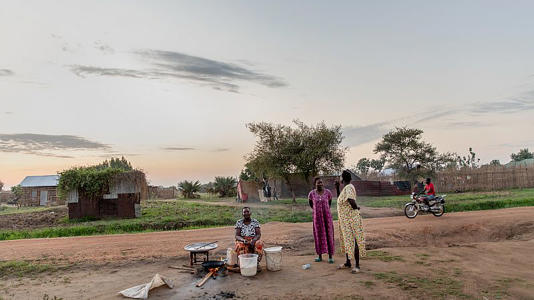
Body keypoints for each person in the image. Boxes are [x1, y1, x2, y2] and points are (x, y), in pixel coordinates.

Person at [336, 170, 366, 273]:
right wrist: (336, 188)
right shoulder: (346, 188)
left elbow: (351, 201)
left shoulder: (348, 187)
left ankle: (357, 266)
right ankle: (348, 263)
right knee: (347, 240)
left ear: (342, 179)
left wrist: (356, 207)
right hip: (346, 220)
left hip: (350, 220)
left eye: (340, 177)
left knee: (353, 240)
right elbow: (343, 199)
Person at [308, 178, 335, 263]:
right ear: (315, 184)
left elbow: (329, 203)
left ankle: (330, 256)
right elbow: (311, 204)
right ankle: (319, 256)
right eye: (318, 183)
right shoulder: (311, 194)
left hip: (327, 218)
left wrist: (325, 210)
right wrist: (317, 211)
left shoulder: (328, 193)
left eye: (321, 183)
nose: (320, 184)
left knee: (328, 235)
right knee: (318, 236)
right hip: (317, 219)